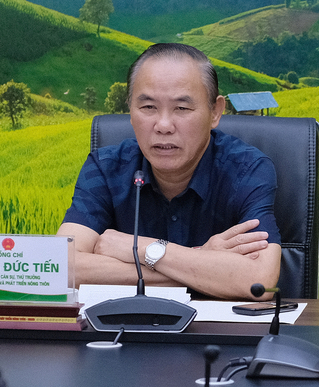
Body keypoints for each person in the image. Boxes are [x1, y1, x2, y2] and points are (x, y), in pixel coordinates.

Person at [57, 43, 281, 300]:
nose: (163, 125)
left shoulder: (248, 169)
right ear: (130, 111)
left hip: (216, 336)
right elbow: (63, 267)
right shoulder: (106, 167)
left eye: (182, 108)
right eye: (148, 108)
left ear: (216, 112)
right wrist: (200, 260)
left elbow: (258, 282)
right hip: (126, 333)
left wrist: (142, 249)